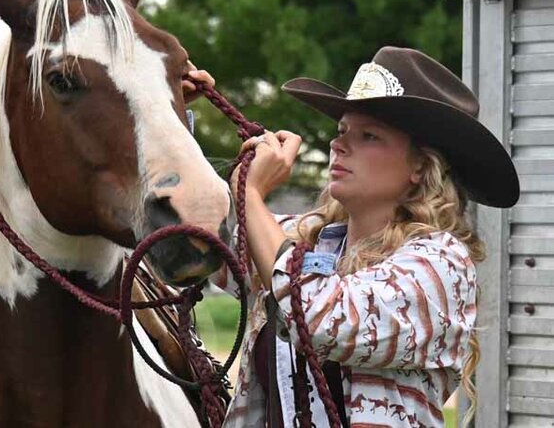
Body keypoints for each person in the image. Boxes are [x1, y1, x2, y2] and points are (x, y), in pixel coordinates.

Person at [183, 46, 519, 428]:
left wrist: (253, 196)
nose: (338, 145)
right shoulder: (308, 239)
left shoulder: (442, 265)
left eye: (369, 136)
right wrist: (169, 111)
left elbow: (320, 318)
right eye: (342, 131)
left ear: (420, 167)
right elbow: (192, 233)